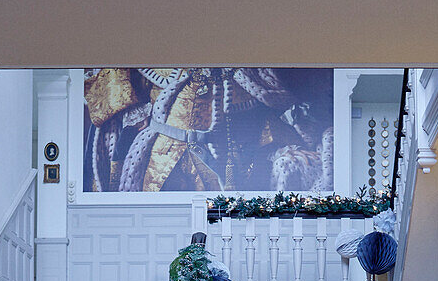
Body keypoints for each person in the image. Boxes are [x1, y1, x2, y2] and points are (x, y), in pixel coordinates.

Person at [83, 67, 333, 193]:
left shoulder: (253, 74)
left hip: (227, 158)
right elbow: (115, 98)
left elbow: (281, 104)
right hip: (159, 158)